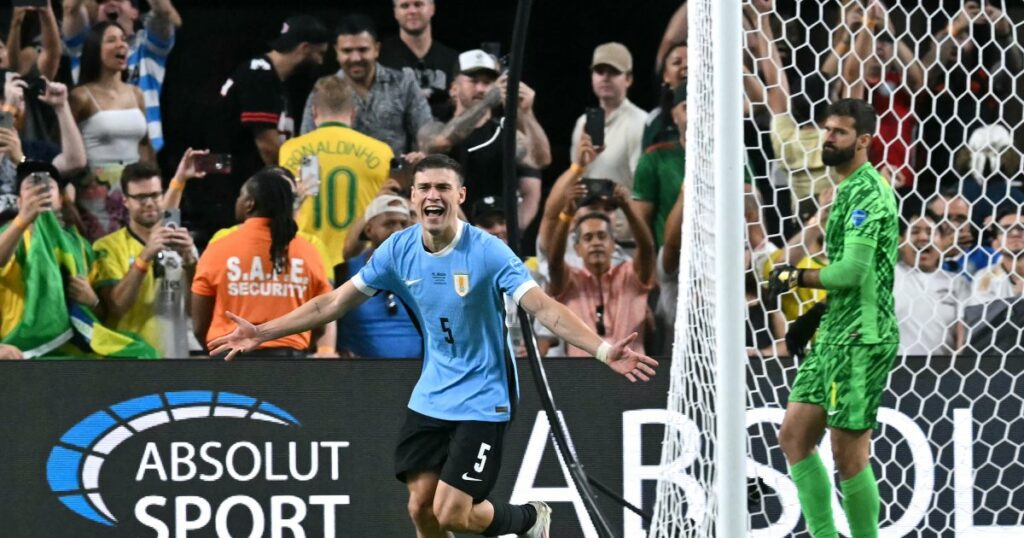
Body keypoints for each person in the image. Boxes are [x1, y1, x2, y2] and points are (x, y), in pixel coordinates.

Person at [208, 154, 658, 537]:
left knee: (452, 513)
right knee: (421, 508)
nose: (432, 196)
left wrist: (602, 350)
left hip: (484, 397)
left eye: (443, 187)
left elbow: (544, 307)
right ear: (413, 198)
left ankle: (527, 520)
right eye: (423, 188)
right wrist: (262, 332)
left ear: (460, 196)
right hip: (432, 394)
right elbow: (332, 302)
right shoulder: (398, 249)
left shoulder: (488, 251)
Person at [767, 99, 899, 538]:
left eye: (840, 133)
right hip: (836, 330)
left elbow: (852, 272)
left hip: (862, 336)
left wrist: (796, 275)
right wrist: (817, 313)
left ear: (863, 141)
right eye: (827, 130)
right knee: (794, 437)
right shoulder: (844, 189)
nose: (828, 139)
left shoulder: (867, 193)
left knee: (849, 457)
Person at [198, 15, 329, 245]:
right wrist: (293, 184)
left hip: (239, 185)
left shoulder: (272, 78)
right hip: (231, 188)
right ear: (304, 48)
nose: (320, 62)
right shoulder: (260, 75)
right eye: (319, 53)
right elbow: (267, 144)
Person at [191, 169, 334, 358]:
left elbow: (200, 324)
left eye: (241, 195)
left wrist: (217, 351)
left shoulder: (219, 248)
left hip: (229, 361)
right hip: (289, 364)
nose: (237, 201)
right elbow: (322, 318)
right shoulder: (309, 252)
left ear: (250, 203)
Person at [418, 50, 546, 231]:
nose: (481, 89)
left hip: (494, 234)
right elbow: (439, 143)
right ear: (454, 87)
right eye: (473, 81)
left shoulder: (505, 132)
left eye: (487, 83)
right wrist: (487, 102)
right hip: (445, 235)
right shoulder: (435, 126)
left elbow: (540, 160)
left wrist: (527, 112)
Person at [280, 75, 394, 271]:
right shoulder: (382, 152)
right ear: (353, 113)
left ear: (314, 112)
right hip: (360, 265)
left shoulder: (290, 151)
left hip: (307, 262)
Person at [92, 159, 199, 356]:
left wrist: (191, 264)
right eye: (140, 197)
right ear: (125, 200)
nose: (149, 203)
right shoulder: (107, 247)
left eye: (154, 195)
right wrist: (145, 257)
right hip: (130, 358)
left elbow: (196, 313)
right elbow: (115, 307)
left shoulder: (183, 245)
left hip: (176, 356)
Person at [547, 181, 655, 357]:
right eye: (588, 238)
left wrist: (627, 207)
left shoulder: (631, 275)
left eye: (602, 236)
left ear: (613, 245)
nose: (596, 242)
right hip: (581, 376)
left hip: (632, 373)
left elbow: (647, 248)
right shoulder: (570, 281)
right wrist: (567, 213)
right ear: (577, 249)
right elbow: (554, 262)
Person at [299, 14, 432, 158]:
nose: (356, 58)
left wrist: (421, 155)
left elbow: (425, 131)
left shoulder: (404, 83)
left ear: (376, 49)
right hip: (341, 177)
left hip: (395, 178)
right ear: (336, 52)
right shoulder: (322, 91)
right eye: (347, 51)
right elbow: (306, 146)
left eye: (363, 50)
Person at [69, 21, 154, 240]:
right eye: (112, 40)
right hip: (95, 194)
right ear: (95, 49)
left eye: (124, 40)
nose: (122, 45)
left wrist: (152, 185)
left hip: (134, 190)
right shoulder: (80, 96)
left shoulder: (137, 94)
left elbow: (145, 145)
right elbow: (65, 149)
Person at [62, 0, 181, 153]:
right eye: (102, 1)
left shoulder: (148, 48)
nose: (110, 2)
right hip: (93, 158)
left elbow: (164, 13)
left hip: (143, 160)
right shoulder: (83, 48)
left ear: (135, 12)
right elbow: (70, 8)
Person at [335, 194, 420, 358]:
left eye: (403, 224)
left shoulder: (425, 272)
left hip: (414, 377)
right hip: (359, 377)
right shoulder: (344, 272)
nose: (397, 230)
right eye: (389, 223)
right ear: (368, 230)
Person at [568, 42, 647, 191]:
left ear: (628, 79)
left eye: (614, 71)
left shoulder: (640, 122)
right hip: (585, 211)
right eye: (599, 71)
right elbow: (573, 179)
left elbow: (642, 188)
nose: (605, 77)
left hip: (620, 213)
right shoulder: (582, 122)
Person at [894, 214, 969, 355]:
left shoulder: (957, 283)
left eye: (931, 233)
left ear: (942, 243)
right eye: (915, 232)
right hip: (894, 368)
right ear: (901, 242)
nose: (923, 238)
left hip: (941, 371)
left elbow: (963, 335)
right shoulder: (887, 276)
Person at [379, 0, 458, 120]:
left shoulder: (453, 59)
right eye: (405, 6)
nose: (412, 11)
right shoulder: (379, 58)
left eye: (418, 4)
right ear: (395, 12)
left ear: (432, 8)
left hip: (443, 133)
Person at [632, 83, 686, 247]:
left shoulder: (733, 155)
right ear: (674, 115)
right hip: (669, 259)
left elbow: (751, 207)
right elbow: (641, 223)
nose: (696, 114)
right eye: (687, 108)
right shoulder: (654, 158)